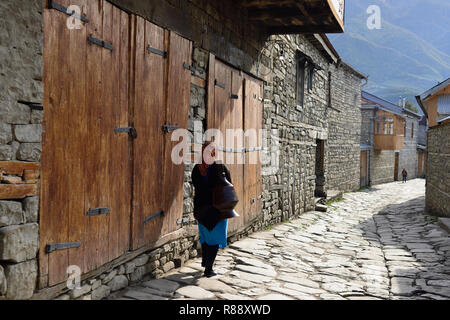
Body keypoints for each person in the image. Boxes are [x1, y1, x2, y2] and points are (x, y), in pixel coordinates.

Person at [192, 141, 234, 277]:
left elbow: (197, 187)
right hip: (217, 210)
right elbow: (230, 186)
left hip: (201, 209)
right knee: (214, 239)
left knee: (206, 238)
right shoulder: (220, 167)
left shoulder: (196, 168)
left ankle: (206, 264)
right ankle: (208, 269)